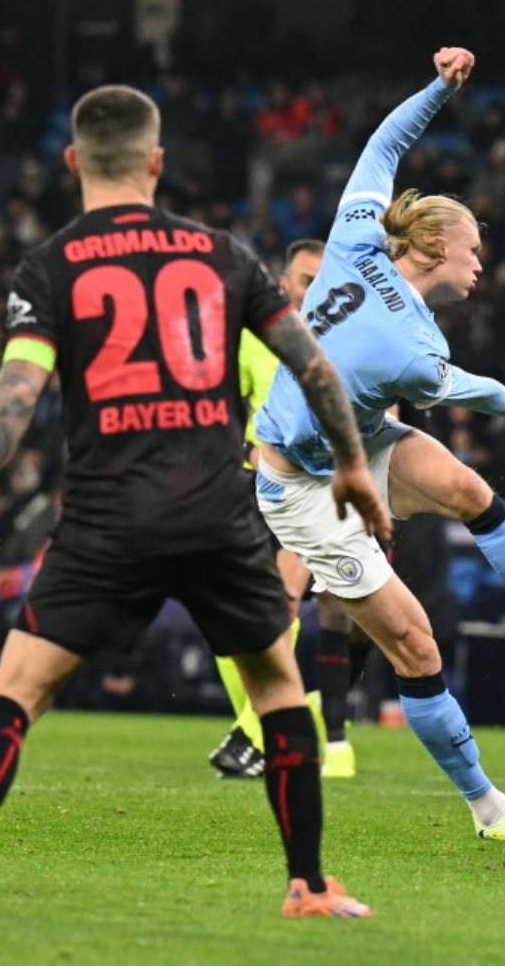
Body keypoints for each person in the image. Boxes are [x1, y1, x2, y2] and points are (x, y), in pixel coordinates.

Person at [0, 84, 389, 917]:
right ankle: (309, 885)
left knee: (17, 689)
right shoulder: (225, 255)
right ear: (158, 162)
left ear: (73, 162)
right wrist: (354, 465)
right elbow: (313, 365)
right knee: (280, 691)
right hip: (216, 510)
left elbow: (16, 390)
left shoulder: (51, 265)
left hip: (107, 519)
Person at [254, 46, 505, 845]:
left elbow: (383, 147)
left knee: (469, 491)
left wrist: (436, 90)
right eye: (473, 246)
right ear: (433, 245)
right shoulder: (407, 348)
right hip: (305, 489)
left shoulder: (356, 238)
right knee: (416, 643)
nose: (479, 259)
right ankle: (489, 810)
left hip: (354, 439)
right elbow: (457, 387)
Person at [208, 238, 368, 783]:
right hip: (253, 485)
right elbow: (224, 410)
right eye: (305, 281)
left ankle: (258, 734)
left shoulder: (349, 342)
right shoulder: (251, 342)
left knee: (285, 600)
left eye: (323, 282)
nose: (314, 292)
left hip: (318, 487)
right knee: (230, 619)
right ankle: (268, 729)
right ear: (283, 286)